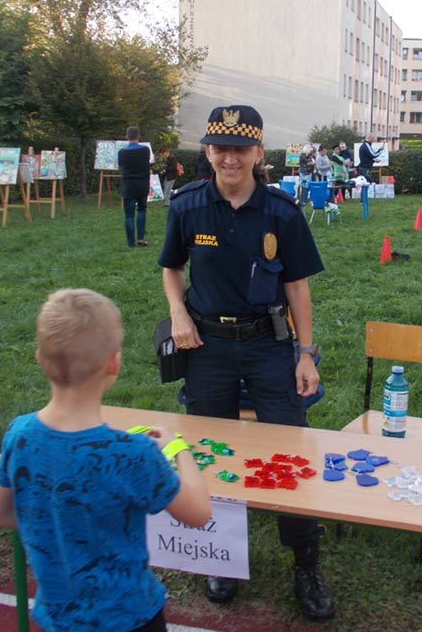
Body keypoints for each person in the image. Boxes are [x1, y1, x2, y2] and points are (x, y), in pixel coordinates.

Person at [158, 104, 334, 621]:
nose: (229, 158)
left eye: (240, 148)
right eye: (220, 147)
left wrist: (306, 354)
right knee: (212, 452)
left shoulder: (282, 212)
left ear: (259, 153)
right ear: (207, 152)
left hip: (267, 347)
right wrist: (178, 317)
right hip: (206, 349)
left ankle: (306, 562)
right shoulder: (188, 206)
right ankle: (224, 557)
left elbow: (298, 288)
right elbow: (171, 269)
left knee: (289, 452)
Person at [0, 288, 211, 632]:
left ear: (40, 359)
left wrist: (61, 519)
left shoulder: (20, 435)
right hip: (130, 618)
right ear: (114, 362)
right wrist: (178, 449)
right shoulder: (132, 454)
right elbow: (198, 513)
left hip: (59, 617)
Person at [117, 126, 151, 247]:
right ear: (138, 136)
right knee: (142, 210)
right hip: (142, 184)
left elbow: (121, 165)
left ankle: (131, 242)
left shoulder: (122, 152)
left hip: (128, 186)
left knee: (129, 215)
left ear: (127, 137)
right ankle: (141, 238)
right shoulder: (145, 150)